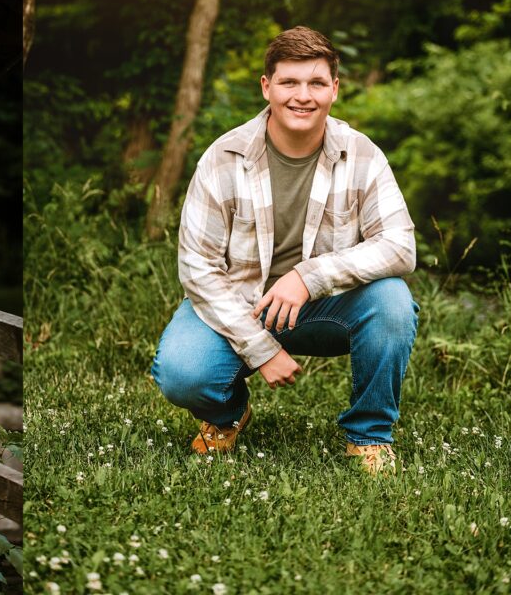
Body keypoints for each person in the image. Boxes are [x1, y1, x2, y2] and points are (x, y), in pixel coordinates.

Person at [151, 26, 418, 475]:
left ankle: (369, 436)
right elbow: (198, 269)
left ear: (334, 89)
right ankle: (227, 414)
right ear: (266, 87)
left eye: (316, 83)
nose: (303, 96)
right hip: (242, 305)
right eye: (289, 82)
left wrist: (308, 277)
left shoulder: (362, 154)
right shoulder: (223, 158)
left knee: (392, 301)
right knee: (182, 372)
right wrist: (262, 350)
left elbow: (400, 245)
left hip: (324, 308)